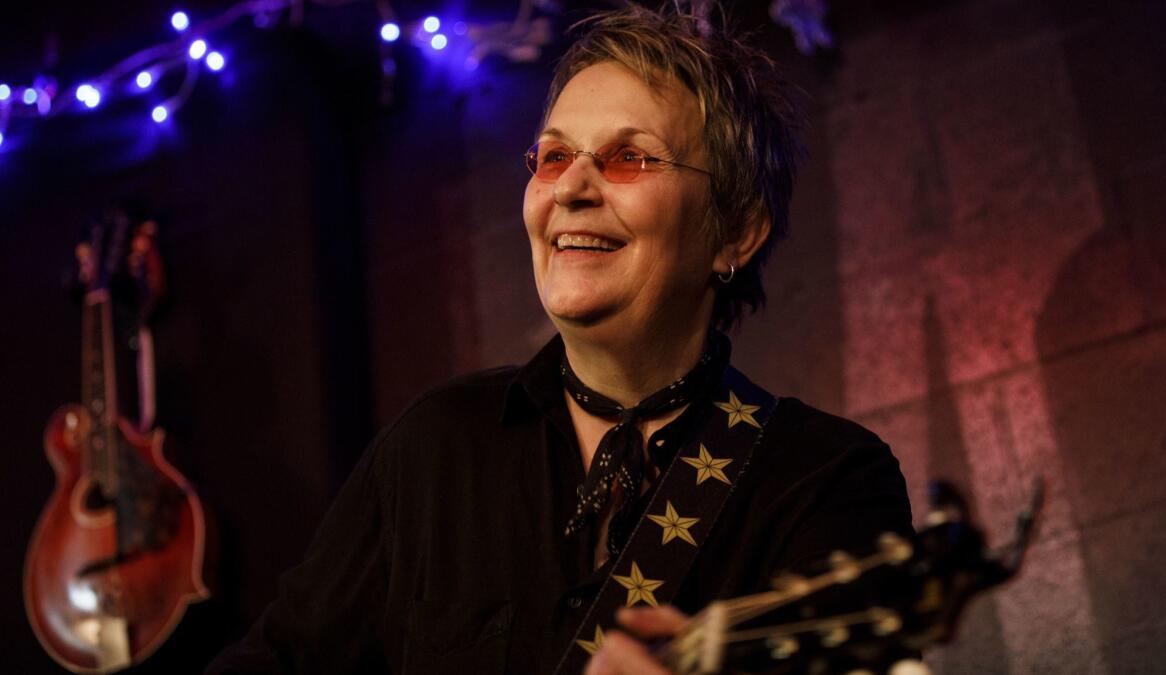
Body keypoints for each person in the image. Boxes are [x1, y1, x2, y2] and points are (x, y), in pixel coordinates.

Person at [208, 5, 911, 674]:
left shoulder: (826, 480)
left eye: (629, 158)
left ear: (735, 229)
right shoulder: (432, 448)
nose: (569, 187)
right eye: (552, 157)